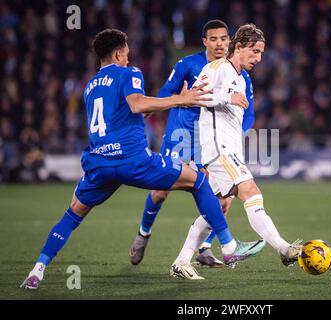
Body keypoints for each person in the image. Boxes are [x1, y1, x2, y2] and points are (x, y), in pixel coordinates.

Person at [20, 28, 266, 289]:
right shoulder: (130, 73)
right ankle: (228, 246)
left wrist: (169, 104)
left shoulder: (90, 86)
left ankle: (37, 270)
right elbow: (137, 104)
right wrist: (178, 99)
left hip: (99, 163)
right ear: (118, 54)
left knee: (72, 216)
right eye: (126, 54)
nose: (128, 59)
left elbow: (128, 113)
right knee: (200, 182)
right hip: (133, 160)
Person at [170, 24, 302, 279]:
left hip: (226, 149)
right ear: (238, 47)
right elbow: (194, 96)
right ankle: (284, 249)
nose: (258, 58)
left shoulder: (240, 78)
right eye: (254, 51)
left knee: (216, 208)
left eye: (261, 53)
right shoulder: (217, 68)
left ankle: (182, 261)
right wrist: (226, 98)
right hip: (219, 149)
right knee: (251, 191)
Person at [129, 19, 256, 268]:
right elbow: (166, 93)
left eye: (223, 38)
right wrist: (155, 108)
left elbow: (248, 111)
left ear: (230, 41)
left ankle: (205, 248)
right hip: (181, 135)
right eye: (214, 39)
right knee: (160, 191)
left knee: (224, 198)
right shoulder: (187, 64)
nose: (219, 44)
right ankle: (144, 233)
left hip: (212, 141)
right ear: (205, 42)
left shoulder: (240, 73)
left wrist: (236, 134)